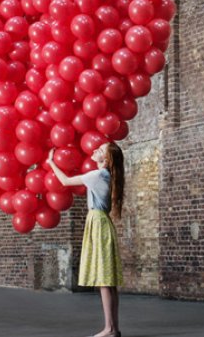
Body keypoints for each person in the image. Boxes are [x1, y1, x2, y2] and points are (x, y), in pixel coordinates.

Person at [47, 141, 124, 337]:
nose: (94, 150)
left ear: (105, 160)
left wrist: (51, 162)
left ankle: (109, 329)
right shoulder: (106, 175)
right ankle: (113, 328)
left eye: (100, 150)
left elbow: (64, 181)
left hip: (97, 223)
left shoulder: (97, 175)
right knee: (108, 281)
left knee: (104, 280)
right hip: (102, 222)